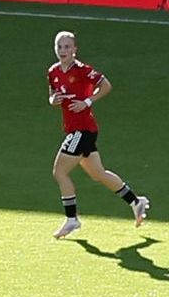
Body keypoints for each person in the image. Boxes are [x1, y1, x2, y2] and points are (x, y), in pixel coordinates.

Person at [40, 29, 149, 235]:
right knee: (98, 173)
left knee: (59, 172)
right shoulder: (53, 72)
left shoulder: (82, 70)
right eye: (59, 47)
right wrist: (53, 100)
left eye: (67, 47)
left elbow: (106, 85)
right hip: (75, 129)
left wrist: (87, 102)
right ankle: (136, 202)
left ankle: (72, 219)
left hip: (82, 129)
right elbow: (52, 95)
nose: (63, 51)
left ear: (75, 50)